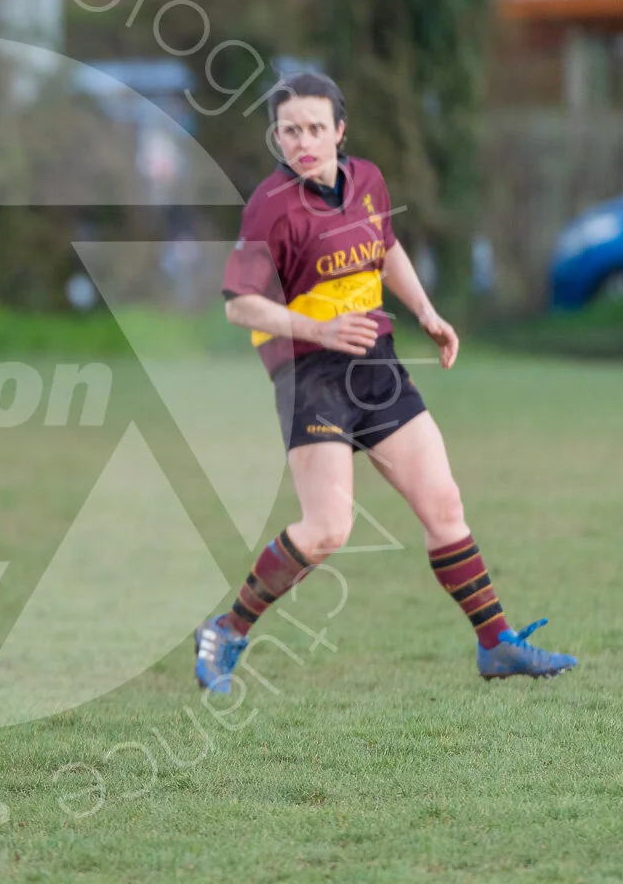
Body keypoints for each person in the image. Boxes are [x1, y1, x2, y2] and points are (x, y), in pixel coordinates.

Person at [194, 72, 577, 692]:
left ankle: (495, 644)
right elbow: (239, 305)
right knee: (326, 531)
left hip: (377, 362)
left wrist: (426, 312)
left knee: (444, 503)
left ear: (340, 132)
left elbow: (386, 247)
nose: (304, 141)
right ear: (277, 138)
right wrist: (316, 331)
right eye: (290, 130)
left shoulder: (367, 180)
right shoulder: (270, 206)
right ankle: (227, 630)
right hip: (308, 375)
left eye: (317, 127)